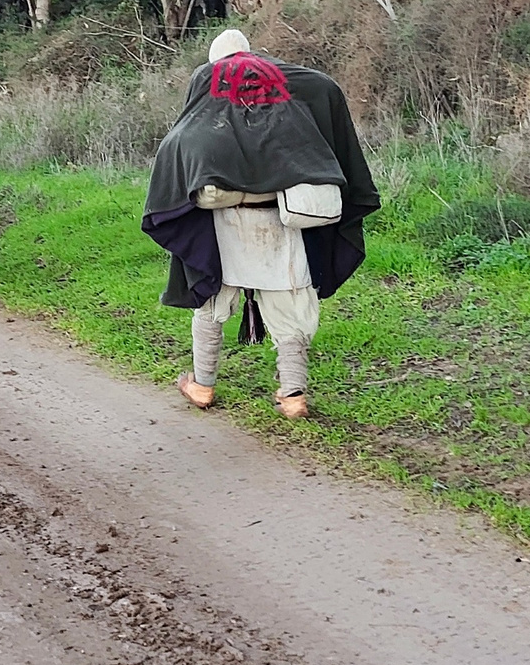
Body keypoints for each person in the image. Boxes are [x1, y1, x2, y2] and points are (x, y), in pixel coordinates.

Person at [141, 29, 377, 419]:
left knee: (213, 299)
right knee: (290, 301)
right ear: (250, 54)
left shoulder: (208, 77)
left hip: (227, 217)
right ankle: (293, 396)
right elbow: (325, 87)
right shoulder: (288, 77)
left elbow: (184, 134)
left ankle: (201, 386)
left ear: (217, 60)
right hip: (286, 213)